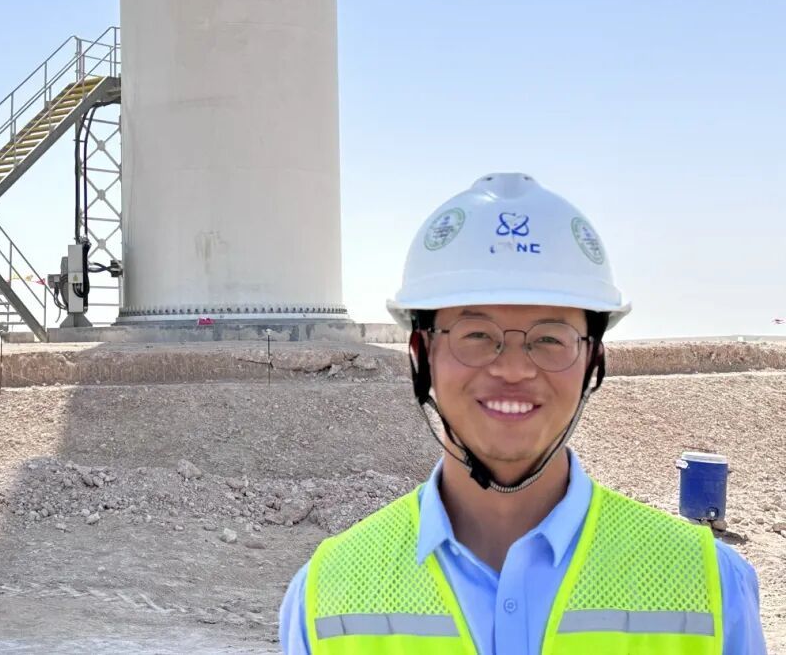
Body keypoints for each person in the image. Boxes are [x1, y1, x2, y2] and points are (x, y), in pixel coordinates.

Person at [280, 173, 765, 654]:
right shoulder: (326, 600)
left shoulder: (712, 590)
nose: (513, 369)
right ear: (420, 354)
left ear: (593, 361)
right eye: (476, 334)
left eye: (550, 338)